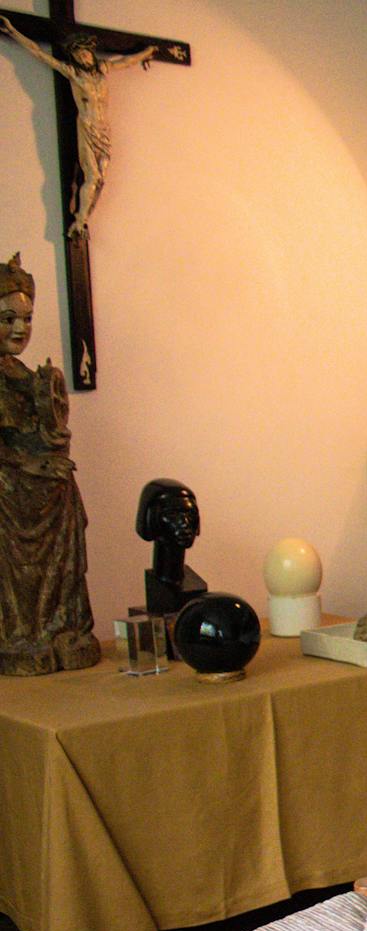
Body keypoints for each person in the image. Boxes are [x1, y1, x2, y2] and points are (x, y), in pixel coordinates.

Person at [0, 253, 100, 675]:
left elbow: (48, 427)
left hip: (44, 494)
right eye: (8, 319)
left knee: (67, 501)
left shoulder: (23, 374)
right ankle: (20, 634)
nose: (20, 328)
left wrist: (53, 437)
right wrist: (31, 465)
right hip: (8, 500)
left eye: (27, 319)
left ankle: (60, 627)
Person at [0, 16, 179, 237]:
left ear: (91, 54)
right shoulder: (73, 73)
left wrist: (147, 52)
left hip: (104, 129)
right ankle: (80, 220)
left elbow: (127, 61)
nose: (83, 57)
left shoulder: (103, 68)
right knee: (92, 177)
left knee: (100, 180)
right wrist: (13, 31)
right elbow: (38, 53)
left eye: (85, 53)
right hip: (87, 126)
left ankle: (83, 218)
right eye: (78, 55)